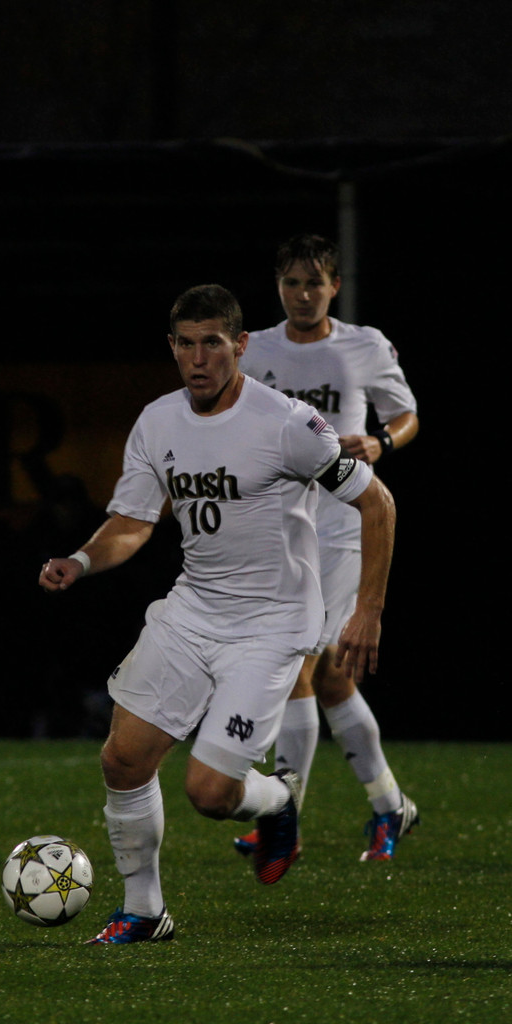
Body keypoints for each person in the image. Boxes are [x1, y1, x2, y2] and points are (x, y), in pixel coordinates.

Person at [39, 283, 395, 945]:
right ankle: (144, 912)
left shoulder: (287, 423)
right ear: (171, 347)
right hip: (193, 610)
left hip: (270, 626)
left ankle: (278, 801)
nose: (198, 359)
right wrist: (81, 561)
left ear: (240, 346)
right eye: (185, 344)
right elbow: (132, 522)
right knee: (123, 760)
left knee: (208, 793)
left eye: (212, 343)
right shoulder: (157, 422)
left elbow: (377, 504)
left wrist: (367, 610)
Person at [234, 234, 419, 863]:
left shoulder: (363, 345)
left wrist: (382, 443)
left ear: (334, 286)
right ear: (278, 286)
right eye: (291, 282)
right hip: (282, 526)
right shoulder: (256, 349)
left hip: (342, 527)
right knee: (334, 678)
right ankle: (390, 806)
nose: (302, 294)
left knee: (298, 666)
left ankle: (281, 820)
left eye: (314, 282)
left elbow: (407, 414)